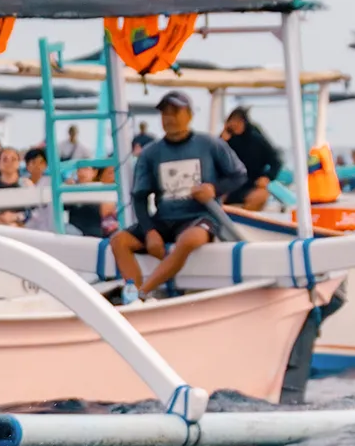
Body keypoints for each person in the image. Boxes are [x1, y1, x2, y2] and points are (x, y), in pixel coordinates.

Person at [109, 91, 244, 300]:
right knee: (119, 240)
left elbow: (239, 175)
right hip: (165, 219)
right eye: (165, 113)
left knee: (189, 240)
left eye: (175, 112)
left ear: (189, 115)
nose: (169, 118)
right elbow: (139, 197)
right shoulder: (150, 153)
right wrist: (150, 231)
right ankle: (132, 292)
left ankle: (142, 293)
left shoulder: (210, 144)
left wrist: (214, 189)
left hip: (200, 217)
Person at [220, 107, 282, 210]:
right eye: (233, 122)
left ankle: (246, 214)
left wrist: (267, 177)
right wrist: (222, 142)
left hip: (251, 183)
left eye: (239, 122)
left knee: (261, 195)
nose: (236, 125)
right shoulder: (224, 140)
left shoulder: (256, 140)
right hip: (229, 185)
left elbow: (276, 161)